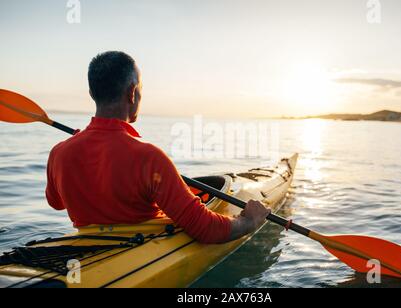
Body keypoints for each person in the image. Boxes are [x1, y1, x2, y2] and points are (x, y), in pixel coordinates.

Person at [46, 51, 270, 244]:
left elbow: (56, 203)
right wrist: (249, 220)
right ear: (132, 92)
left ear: (92, 93)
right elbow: (206, 229)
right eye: (141, 87)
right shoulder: (148, 157)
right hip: (142, 251)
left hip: (87, 252)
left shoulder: (59, 153)